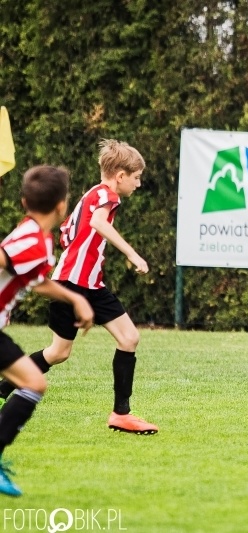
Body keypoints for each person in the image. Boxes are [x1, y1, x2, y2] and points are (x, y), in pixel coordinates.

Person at [0, 140, 158, 435]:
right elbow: (98, 222)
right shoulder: (106, 196)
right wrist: (132, 253)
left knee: (129, 338)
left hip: (90, 285)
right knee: (59, 353)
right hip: (72, 284)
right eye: (136, 177)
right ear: (120, 175)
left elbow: (67, 233)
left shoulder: (91, 195)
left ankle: (121, 414)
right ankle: (3, 389)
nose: (138, 183)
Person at [0, 165, 94, 495]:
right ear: (62, 205)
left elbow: (36, 282)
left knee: (34, 383)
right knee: (33, 383)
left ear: (25, 202)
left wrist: (74, 299)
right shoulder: (31, 241)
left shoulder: (38, 238)